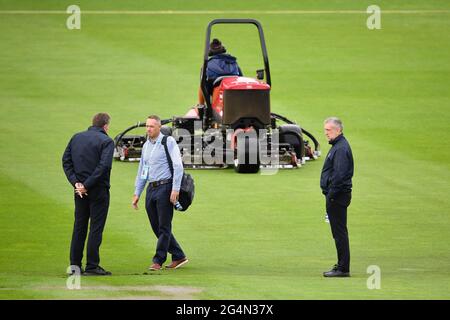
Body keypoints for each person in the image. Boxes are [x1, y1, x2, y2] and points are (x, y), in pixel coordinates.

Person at [132, 115, 188, 271]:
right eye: (147, 126)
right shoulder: (146, 146)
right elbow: (143, 170)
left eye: (151, 126)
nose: (148, 129)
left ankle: (158, 260)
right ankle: (178, 255)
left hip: (165, 187)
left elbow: (178, 166)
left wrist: (175, 189)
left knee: (164, 226)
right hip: (151, 188)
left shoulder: (168, 142)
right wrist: (138, 192)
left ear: (158, 127)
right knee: (156, 226)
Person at [62, 113, 114, 276]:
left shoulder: (76, 137)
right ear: (105, 126)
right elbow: (103, 166)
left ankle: (74, 266)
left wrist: (76, 183)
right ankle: (92, 265)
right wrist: (87, 185)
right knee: (95, 228)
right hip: (98, 190)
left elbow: (66, 161)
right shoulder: (107, 141)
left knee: (79, 227)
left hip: (79, 192)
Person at [320, 117, 354, 277]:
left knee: (339, 233)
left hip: (337, 197)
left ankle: (343, 268)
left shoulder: (340, 149)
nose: (326, 133)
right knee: (338, 233)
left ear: (338, 130)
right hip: (336, 195)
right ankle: (341, 266)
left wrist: (331, 195)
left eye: (328, 130)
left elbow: (339, 176)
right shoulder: (338, 146)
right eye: (325, 130)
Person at [185, 38, 242, 118]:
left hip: (217, 102)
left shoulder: (207, 65)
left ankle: (201, 108)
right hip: (237, 99)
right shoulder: (234, 63)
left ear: (210, 52)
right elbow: (241, 79)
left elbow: (203, 86)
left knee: (202, 85)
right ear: (223, 49)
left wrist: (201, 105)